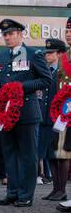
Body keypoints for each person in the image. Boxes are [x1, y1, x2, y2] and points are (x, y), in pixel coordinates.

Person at [0, 18, 54, 208]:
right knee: (9, 154)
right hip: (6, 114)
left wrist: (21, 87)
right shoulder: (2, 56)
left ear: (20, 35)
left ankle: (25, 194)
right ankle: (12, 192)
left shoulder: (33, 54)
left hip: (27, 111)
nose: (8, 37)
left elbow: (46, 80)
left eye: (11, 34)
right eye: (5, 34)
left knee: (28, 155)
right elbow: (2, 84)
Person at [45, 39, 71, 203]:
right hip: (48, 116)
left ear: (60, 54)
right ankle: (55, 188)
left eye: (50, 53)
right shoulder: (48, 70)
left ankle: (62, 189)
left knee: (62, 154)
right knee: (51, 154)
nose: (47, 55)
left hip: (62, 116)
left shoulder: (64, 69)